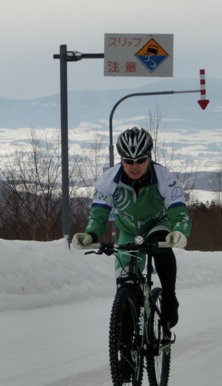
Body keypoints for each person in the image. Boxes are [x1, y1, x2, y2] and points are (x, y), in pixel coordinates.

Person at [72, 127, 191, 331]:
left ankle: (170, 298)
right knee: (125, 283)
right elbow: (99, 214)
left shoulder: (164, 177)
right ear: (121, 159)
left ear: (149, 157)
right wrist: (90, 233)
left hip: (158, 225)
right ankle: (127, 333)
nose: (134, 166)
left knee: (161, 246)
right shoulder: (109, 180)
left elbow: (179, 211)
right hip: (128, 231)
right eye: (128, 161)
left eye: (140, 160)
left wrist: (179, 231)